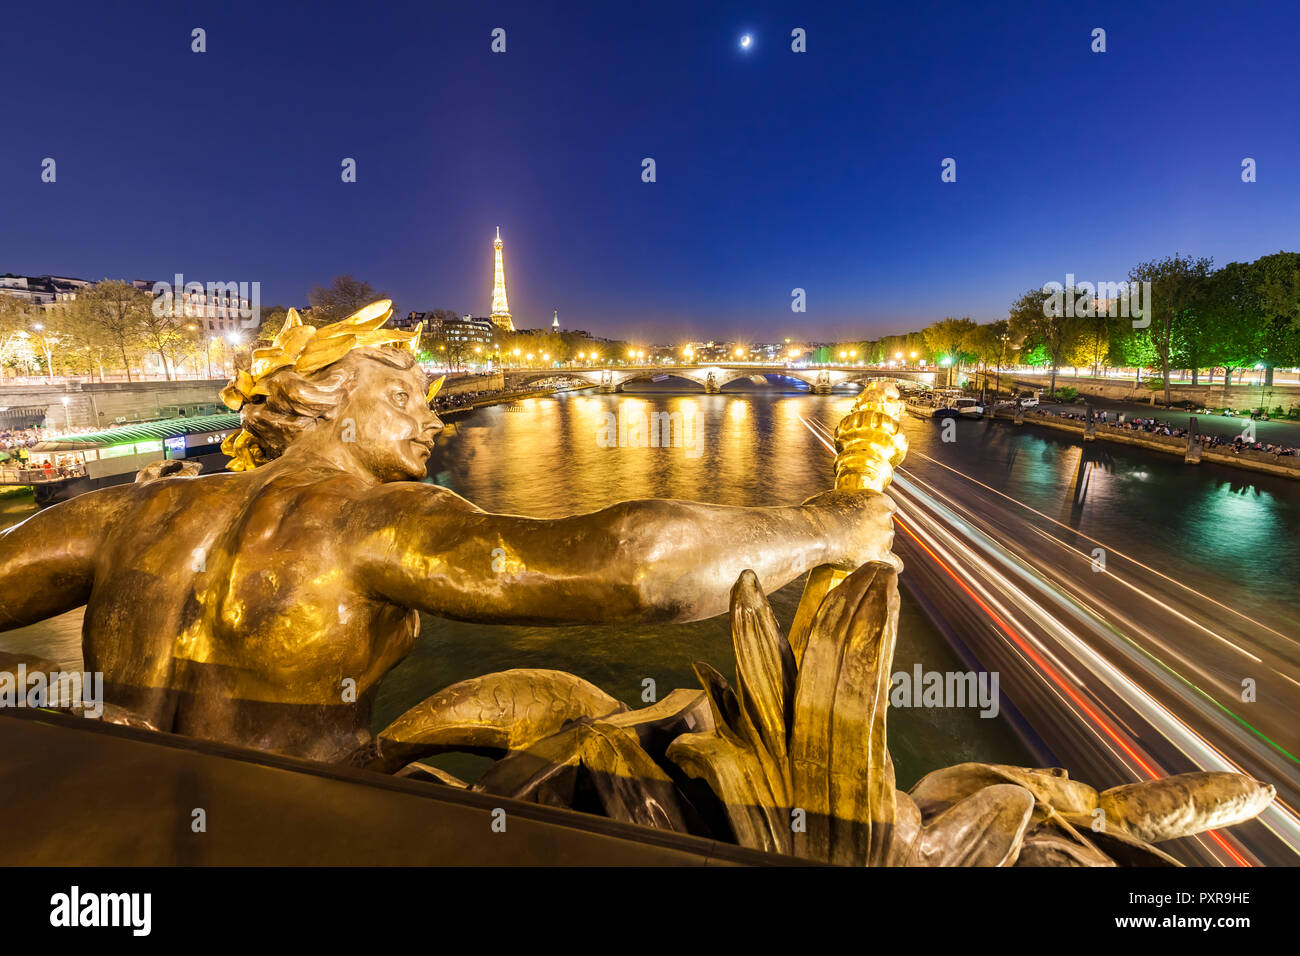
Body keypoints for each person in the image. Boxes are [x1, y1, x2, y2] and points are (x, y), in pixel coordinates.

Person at [0, 302, 900, 764]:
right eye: (402, 396)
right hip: (297, 828)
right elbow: (625, 566)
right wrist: (827, 522)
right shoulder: (366, 518)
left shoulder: (128, 512)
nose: (431, 423)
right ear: (320, 401)